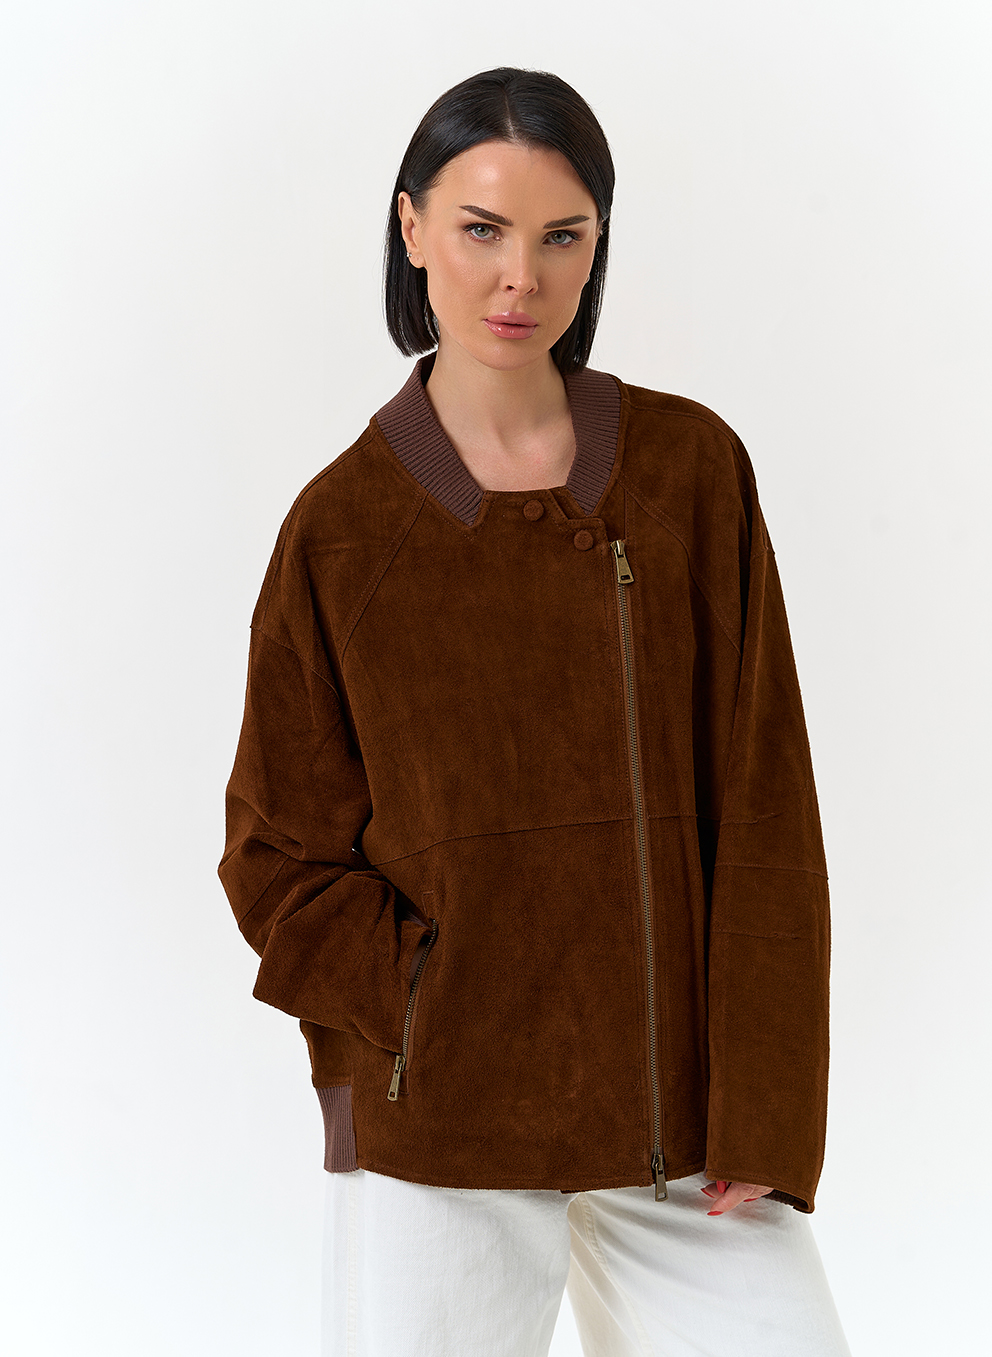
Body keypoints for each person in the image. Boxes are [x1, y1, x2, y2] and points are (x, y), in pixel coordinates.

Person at [219, 65, 851, 1357]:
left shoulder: (689, 473)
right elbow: (275, 856)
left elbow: (768, 807)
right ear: (412, 229)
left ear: (597, 244)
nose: (521, 278)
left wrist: (767, 1104)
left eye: (563, 236)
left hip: (683, 1134)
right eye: (482, 229)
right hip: (444, 1130)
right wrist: (422, 1004)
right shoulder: (342, 530)